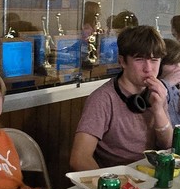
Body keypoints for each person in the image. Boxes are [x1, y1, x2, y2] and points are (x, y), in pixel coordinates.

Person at [71, 25, 172, 170]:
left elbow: (167, 144)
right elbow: (79, 159)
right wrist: (112, 188)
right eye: (139, 59)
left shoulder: (157, 91)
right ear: (122, 61)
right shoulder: (103, 99)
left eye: (154, 60)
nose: (148, 68)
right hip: (119, 180)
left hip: (151, 174)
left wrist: (158, 110)